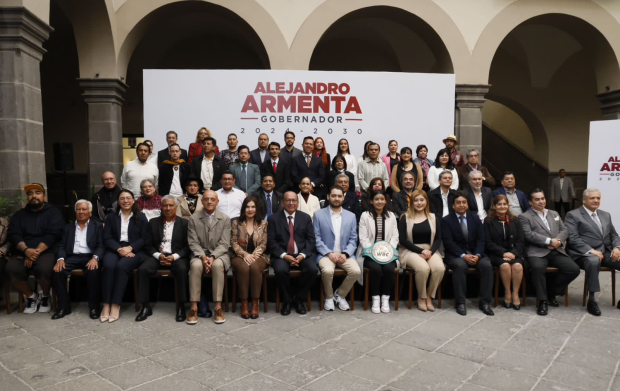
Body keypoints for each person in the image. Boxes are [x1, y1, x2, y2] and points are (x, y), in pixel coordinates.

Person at [519, 189, 579, 316]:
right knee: (537, 267)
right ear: (530, 202)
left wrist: (558, 241)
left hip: (556, 250)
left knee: (573, 269)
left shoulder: (554, 213)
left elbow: (564, 230)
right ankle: (543, 301)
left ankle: (552, 292)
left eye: (543, 198)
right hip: (537, 251)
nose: (541, 201)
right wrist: (549, 241)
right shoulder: (524, 216)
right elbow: (529, 235)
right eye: (537, 199)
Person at [6, 183, 63, 314]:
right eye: (30, 193)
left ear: (44, 195)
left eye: (37, 193)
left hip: (46, 250)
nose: (34, 196)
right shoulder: (19, 215)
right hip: (23, 251)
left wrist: (35, 253)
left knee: (43, 268)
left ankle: (46, 296)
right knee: (11, 269)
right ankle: (32, 296)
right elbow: (14, 234)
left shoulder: (53, 212)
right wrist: (26, 251)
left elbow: (54, 234)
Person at [566, 189, 620, 316]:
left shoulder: (605, 214)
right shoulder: (573, 215)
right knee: (593, 260)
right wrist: (591, 251)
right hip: (583, 253)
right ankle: (592, 300)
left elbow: (614, 235)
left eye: (598, 198)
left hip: (605, 251)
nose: (596, 200)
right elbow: (572, 238)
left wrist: (617, 247)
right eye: (592, 198)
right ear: (584, 200)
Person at [138, 195, 190, 322]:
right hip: (157, 255)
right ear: (161, 207)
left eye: (171, 205)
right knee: (143, 269)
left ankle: (181, 306)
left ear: (175, 207)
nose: (168, 208)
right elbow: (148, 245)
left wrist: (174, 257)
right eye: (165, 205)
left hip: (176, 256)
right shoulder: (153, 222)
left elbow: (188, 246)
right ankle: (145, 306)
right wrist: (158, 255)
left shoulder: (184, 223)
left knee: (182, 269)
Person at [442, 193, 494, 316]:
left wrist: (477, 255)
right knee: (460, 266)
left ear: (467, 204)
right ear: (453, 206)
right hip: (456, 255)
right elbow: (448, 242)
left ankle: (485, 302)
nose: (461, 205)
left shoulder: (475, 218)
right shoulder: (446, 220)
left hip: (475, 253)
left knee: (487, 266)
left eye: (464, 202)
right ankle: (460, 302)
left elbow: (481, 239)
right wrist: (462, 255)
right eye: (458, 203)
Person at [267, 191, 318, 316]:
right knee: (280, 270)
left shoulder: (305, 218)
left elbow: (311, 240)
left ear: (297, 202)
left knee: (312, 269)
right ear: (282, 203)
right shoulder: (274, 218)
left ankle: (298, 298)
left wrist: (303, 255)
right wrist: (285, 256)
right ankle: (287, 300)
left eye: (294, 200)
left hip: (302, 254)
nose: (291, 203)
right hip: (282, 255)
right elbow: (271, 241)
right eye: (288, 200)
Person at [101, 189, 149, 323]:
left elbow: (144, 238)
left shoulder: (141, 216)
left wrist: (130, 247)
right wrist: (119, 249)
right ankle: (106, 304)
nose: (125, 201)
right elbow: (107, 237)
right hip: (115, 248)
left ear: (134, 200)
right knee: (109, 265)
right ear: (118, 201)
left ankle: (116, 304)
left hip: (135, 250)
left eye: (128, 198)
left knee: (122, 266)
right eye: (122, 198)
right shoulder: (111, 217)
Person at [52, 200, 104, 320]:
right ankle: (63, 308)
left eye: (84, 209)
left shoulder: (98, 226)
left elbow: (102, 245)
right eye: (78, 209)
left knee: (93, 271)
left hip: (90, 256)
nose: (81, 212)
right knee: (57, 271)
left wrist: (95, 258)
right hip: (72, 257)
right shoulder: (68, 227)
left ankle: (94, 307)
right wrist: (60, 259)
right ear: (75, 212)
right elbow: (61, 245)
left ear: (90, 212)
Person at [187, 190, 231, 325]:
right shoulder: (194, 218)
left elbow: (225, 243)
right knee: (195, 266)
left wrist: (212, 257)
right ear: (202, 201)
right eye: (206, 199)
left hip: (219, 255)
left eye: (213, 199)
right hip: (199, 254)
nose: (209, 201)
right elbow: (193, 242)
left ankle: (218, 306)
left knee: (217, 265)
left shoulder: (225, 219)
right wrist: (202, 257)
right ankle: (194, 306)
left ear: (217, 202)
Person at [314, 186, 360, 311]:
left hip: (344, 254)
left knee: (356, 271)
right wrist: (329, 253)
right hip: (325, 254)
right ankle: (329, 297)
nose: (336, 198)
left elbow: (353, 239)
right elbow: (316, 238)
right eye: (333, 196)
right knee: (328, 271)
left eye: (339, 196)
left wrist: (345, 254)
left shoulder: (351, 216)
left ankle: (340, 295)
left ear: (343, 198)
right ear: (328, 197)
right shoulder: (318, 215)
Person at [398, 190, 444, 311]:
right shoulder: (405, 218)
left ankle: (429, 296)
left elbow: (438, 239)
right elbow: (403, 240)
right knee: (423, 268)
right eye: (416, 200)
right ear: (411, 203)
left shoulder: (433, 218)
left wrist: (431, 252)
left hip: (430, 250)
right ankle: (421, 297)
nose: (419, 203)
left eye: (421, 200)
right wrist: (420, 251)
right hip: (410, 250)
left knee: (440, 268)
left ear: (426, 202)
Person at [357, 189, 399, 313]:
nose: (379, 201)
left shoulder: (391, 216)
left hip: (387, 253)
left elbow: (395, 237)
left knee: (389, 269)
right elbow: (363, 238)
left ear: (386, 201)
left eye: (382, 199)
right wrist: (373, 251)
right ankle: (375, 298)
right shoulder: (365, 215)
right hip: (369, 252)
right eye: (376, 199)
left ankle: (385, 298)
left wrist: (389, 250)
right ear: (371, 201)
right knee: (375, 269)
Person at [230, 196, 269, 319]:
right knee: (244, 268)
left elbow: (264, 243)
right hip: (239, 255)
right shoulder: (236, 223)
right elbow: (233, 242)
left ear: (257, 209)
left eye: (253, 207)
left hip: (259, 256)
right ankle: (245, 303)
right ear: (243, 208)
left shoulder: (263, 224)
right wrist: (245, 255)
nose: (250, 209)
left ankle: (255, 302)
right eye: (247, 207)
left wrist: (254, 255)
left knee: (255, 267)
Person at [485, 195, 525, 310]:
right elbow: (488, 242)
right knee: (505, 266)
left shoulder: (515, 220)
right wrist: (503, 253)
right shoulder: (489, 221)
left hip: (514, 252)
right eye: (499, 204)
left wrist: (514, 253)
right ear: (494, 206)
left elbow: (521, 239)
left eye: (504, 204)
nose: (502, 206)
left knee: (517, 266)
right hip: (497, 253)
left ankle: (515, 294)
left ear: (508, 205)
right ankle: (507, 293)